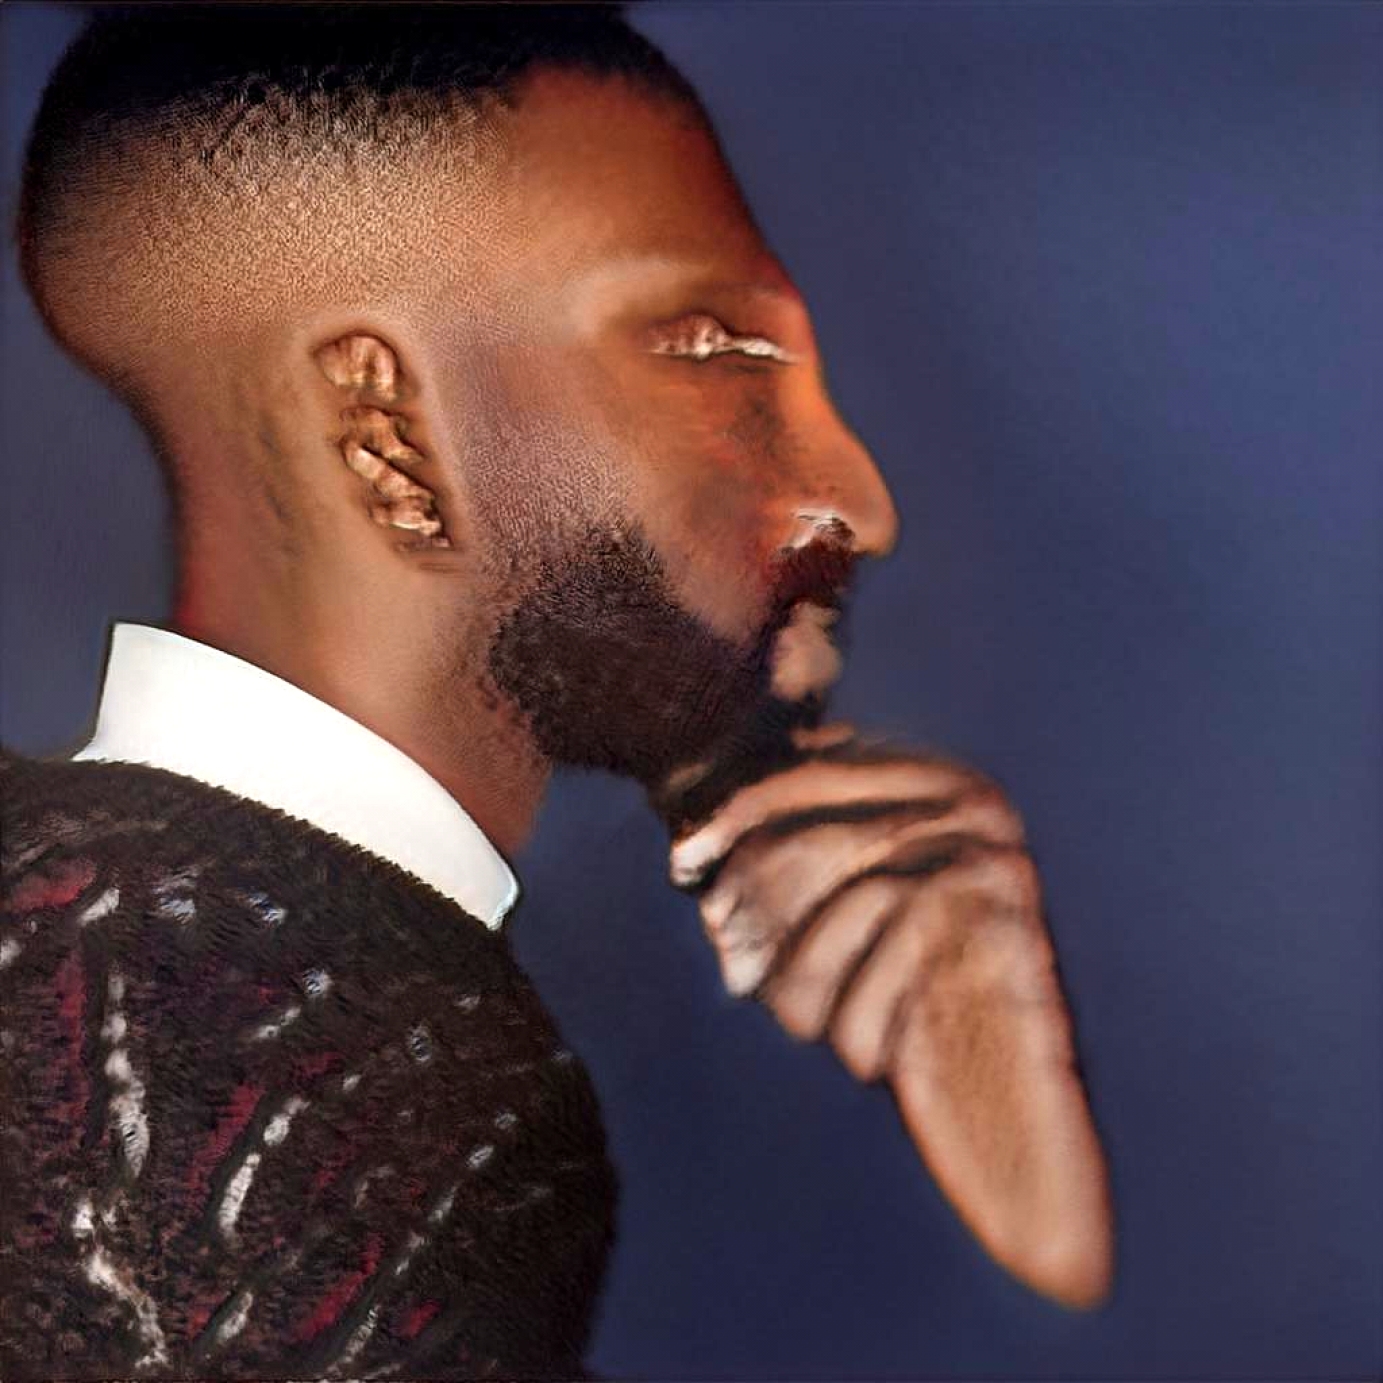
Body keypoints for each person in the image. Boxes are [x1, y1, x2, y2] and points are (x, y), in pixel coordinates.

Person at [0, 4, 1113, 1377]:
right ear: (386, 429)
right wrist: (1041, 1230)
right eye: (708, 349)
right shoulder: (394, 1090)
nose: (855, 503)